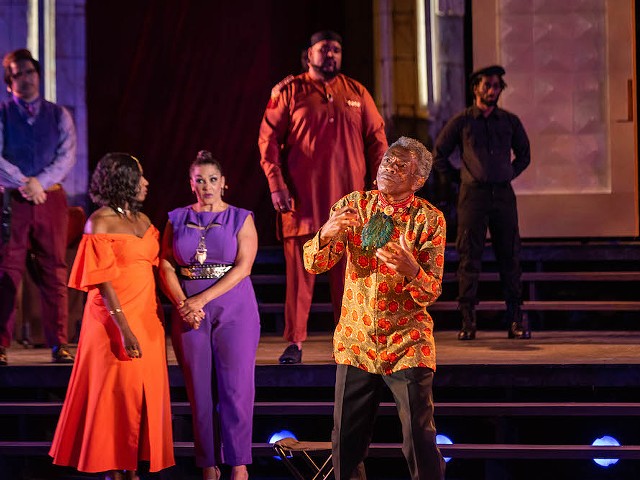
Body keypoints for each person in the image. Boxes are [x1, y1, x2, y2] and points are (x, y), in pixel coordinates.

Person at [304, 137, 446, 480]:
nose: (389, 169)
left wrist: (412, 270)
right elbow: (314, 263)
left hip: (406, 342)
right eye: (387, 162)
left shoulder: (429, 219)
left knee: (419, 438)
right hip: (357, 340)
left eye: (401, 166)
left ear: (418, 180)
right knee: (345, 445)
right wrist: (325, 233)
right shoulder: (355, 205)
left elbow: (431, 291)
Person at [259, 30, 388, 364]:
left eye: (337, 50)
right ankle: (295, 344)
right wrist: (276, 185)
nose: (331, 55)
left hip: (349, 208)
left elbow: (377, 139)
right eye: (324, 49)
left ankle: (349, 342)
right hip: (302, 204)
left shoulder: (357, 91)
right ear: (309, 54)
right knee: (299, 280)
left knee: (348, 281)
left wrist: (380, 185)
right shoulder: (289, 91)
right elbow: (268, 142)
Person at [49, 153, 175, 480]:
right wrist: (124, 329)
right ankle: (113, 471)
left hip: (148, 318)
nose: (146, 183)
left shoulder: (145, 221)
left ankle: (131, 468)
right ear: (123, 180)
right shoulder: (99, 222)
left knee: (139, 394)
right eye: (140, 177)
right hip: (111, 322)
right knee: (115, 396)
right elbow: (102, 284)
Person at [159, 150, 260, 480]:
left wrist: (200, 299)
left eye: (213, 179)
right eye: (200, 180)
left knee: (236, 388)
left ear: (224, 183)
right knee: (198, 390)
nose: (207, 186)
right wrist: (182, 304)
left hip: (234, 308)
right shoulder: (175, 218)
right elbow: (166, 265)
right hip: (188, 313)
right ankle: (207, 465)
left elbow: (244, 267)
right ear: (191, 184)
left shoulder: (241, 217)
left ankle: (238, 463)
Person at [433, 64, 531, 341]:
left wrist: (509, 173)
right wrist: (460, 178)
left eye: (497, 86)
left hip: (502, 195)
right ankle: (467, 321)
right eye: (487, 85)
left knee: (510, 256)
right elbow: (439, 154)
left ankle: (514, 321)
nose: (492, 90)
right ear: (476, 87)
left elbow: (524, 154)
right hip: (472, 197)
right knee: (468, 258)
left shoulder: (510, 121)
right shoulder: (463, 121)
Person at [0, 48, 76, 365]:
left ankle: (59, 343)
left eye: (30, 72)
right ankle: (1, 344)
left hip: (50, 198)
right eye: (18, 74)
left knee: (54, 271)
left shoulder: (59, 114)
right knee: (7, 271)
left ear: (38, 76)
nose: (26, 79)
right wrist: (24, 183)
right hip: (14, 199)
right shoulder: (3, 114)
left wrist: (39, 183)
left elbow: (67, 155)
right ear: (9, 82)